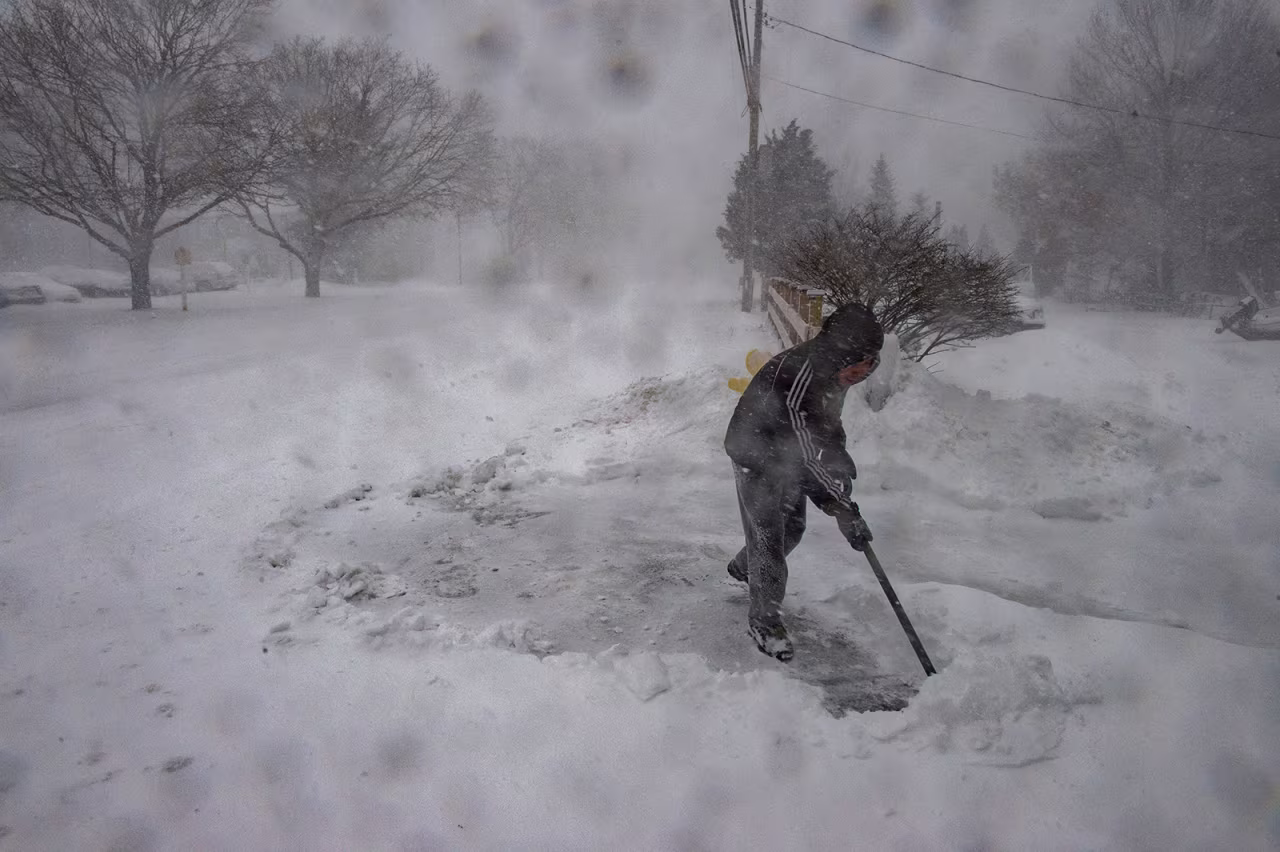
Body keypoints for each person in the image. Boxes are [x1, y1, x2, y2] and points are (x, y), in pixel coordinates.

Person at [723, 302, 884, 661]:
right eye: (859, 363)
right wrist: (842, 508)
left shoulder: (834, 372)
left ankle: (741, 567)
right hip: (755, 454)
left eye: (871, 363)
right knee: (769, 539)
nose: (864, 371)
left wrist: (839, 463)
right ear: (840, 353)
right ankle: (764, 622)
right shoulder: (796, 377)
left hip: (786, 454)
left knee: (792, 530)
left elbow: (825, 424)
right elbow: (805, 453)